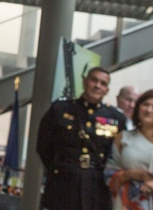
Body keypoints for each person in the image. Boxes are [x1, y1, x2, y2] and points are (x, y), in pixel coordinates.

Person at [37, 66, 127, 210]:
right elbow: (43, 146)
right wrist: (60, 168)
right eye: (94, 80)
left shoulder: (116, 118)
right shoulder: (60, 109)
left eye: (103, 83)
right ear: (85, 82)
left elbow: (119, 153)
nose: (97, 85)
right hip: (63, 181)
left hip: (97, 184)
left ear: (107, 90)